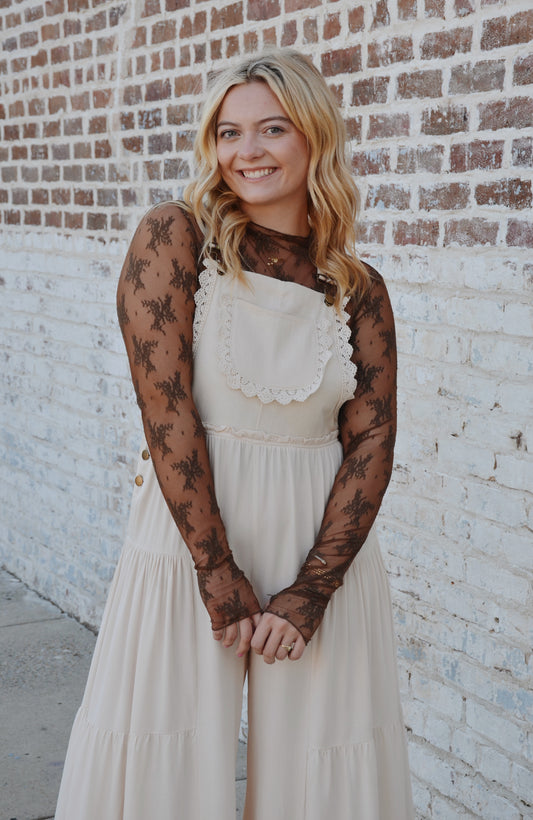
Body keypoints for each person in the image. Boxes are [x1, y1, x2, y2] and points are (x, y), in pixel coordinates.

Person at [56, 48, 413, 819]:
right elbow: (167, 412)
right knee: (160, 747)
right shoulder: (174, 237)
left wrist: (311, 593)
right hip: (186, 540)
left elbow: (371, 443)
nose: (245, 153)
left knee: (326, 766)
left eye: (272, 129)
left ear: (313, 137)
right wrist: (216, 572)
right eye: (228, 132)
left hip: (322, 550)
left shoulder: (356, 287)